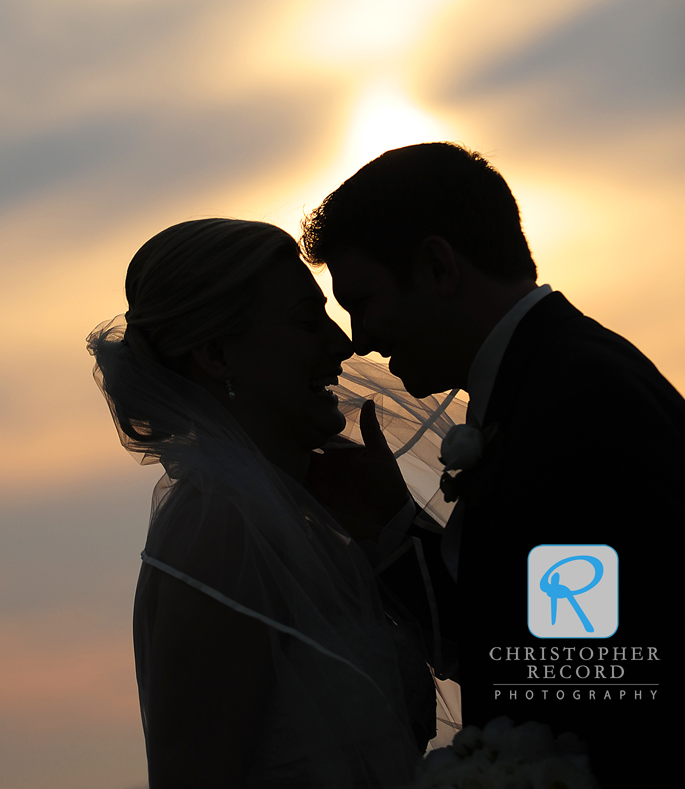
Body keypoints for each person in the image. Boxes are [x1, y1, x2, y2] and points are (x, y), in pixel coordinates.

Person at [300, 141, 685, 785]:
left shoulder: (579, 401)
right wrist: (392, 520)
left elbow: (611, 669)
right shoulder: (543, 383)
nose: (358, 341)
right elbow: (537, 627)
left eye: (362, 301)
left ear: (438, 267)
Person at [87, 218, 441, 789]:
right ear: (218, 354)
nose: (343, 344)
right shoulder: (219, 530)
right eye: (307, 322)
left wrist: (392, 523)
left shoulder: (305, 522)